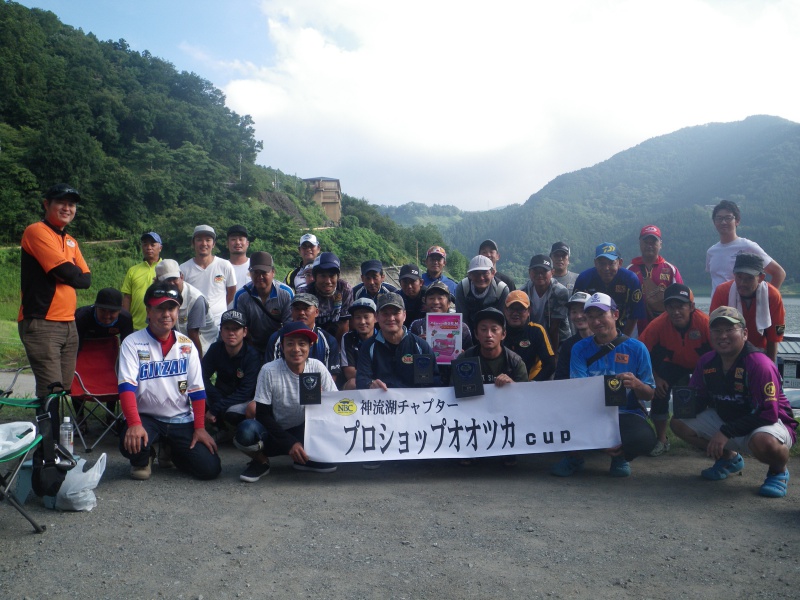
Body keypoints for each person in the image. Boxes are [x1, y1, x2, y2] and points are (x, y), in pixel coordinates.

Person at [671, 306, 796, 498]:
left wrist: (725, 432)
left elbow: (767, 413)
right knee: (678, 422)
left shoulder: (759, 364)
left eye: (730, 330)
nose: (723, 336)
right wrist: (681, 401)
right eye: (717, 330)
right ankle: (728, 458)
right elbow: (700, 399)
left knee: (765, 443)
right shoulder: (706, 362)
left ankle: (778, 471)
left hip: (769, 424)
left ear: (745, 333)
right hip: (730, 421)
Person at [117, 281, 221, 481]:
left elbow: (197, 390)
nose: (166, 314)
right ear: (148, 310)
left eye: (171, 308)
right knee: (130, 445)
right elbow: (126, 387)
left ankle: (171, 450)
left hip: (180, 417)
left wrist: (199, 428)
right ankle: (145, 456)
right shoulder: (132, 342)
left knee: (210, 469)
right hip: (147, 417)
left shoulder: (186, 344)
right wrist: (134, 423)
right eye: (160, 308)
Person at [550, 293, 656, 478]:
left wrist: (637, 385)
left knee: (645, 439)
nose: (596, 321)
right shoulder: (579, 348)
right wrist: (600, 437)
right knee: (559, 419)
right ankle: (574, 457)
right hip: (590, 411)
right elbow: (580, 390)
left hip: (626, 413)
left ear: (615, 315)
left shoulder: (637, 348)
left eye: (601, 315)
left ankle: (620, 457)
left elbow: (649, 394)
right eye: (590, 316)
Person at [18, 183, 91, 435]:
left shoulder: (70, 240)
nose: (67, 208)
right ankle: (47, 455)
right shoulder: (36, 231)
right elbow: (65, 271)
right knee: (50, 390)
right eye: (61, 202)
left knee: (62, 390)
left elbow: (85, 279)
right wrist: (69, 272)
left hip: (68, 323)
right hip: (42, 321)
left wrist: (69, 273)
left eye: (72, 204)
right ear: (46, 204)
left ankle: (55, 446)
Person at [233, 321, 339, 482]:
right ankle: (261, 461)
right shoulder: (269, 370)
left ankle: (304, 459)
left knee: (331, 463)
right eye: (290, 344)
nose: (296, 349)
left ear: (310, 346)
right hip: (274, 432)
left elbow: (336, 406)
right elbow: (262, 414)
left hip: (306, 431)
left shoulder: (317, 367)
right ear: (282, 347)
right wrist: (290, 444)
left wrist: (325, 400)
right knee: (246, 431)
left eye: (302, 344)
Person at [638, 284, 711, 456]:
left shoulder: (705, 323)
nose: (676, 311)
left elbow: (722, 353)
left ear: (691, 307)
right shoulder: (658, 324)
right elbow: (640, 352)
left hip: (703, 366)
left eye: (681, 306)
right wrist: (654, 377)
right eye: (671, 307)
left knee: (711, 394)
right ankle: (662, 440)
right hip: (673, 363)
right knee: (659, 391)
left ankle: (706, 437)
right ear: (665, 308)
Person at [709, 253, 785, 362]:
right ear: (734, 275)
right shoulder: (722, 292)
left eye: (749, 278)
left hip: (760, 351)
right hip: (727, 351)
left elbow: (775, 335)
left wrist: (771, 365)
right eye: (739, 277)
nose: (742, 283)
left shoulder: (773, 295)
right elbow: (714, 330)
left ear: (761, 278)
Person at [357, 293, 439, 391]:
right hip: (381, 403)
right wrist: (370, 384)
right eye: (385, 314)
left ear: (404, 315)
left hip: (414, 404)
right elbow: (361, 379)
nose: (391, 318)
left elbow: (433, 382)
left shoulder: (420, 346)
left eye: (396, 313)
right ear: (377, 317)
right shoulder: (368, 346)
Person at [706, 199, 785, 296]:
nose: (723, 222)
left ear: (737, 221)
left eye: (728, 218)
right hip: (717, 307)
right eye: (719, 218)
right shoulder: (711, 252)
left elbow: (779, 273)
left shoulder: (748, 246)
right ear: (714, 222)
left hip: (742, 308)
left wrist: (768, 299)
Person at [201, 310, 260, 431]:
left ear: (244, 332)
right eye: (227, 328)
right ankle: (217, 429)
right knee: (197, 401)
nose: (231, 333)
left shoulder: (252, 355)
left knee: (231, 414)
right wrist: (216, 399)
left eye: (236, 328)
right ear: (221, 331)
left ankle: (231, 433)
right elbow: (201, 376)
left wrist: (217, 407)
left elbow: (245, 391)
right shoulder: (215, 349)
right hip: (218, 395)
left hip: (242, 399)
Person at [573, 242, 645, 337]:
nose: (606, 268)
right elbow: (577, 310)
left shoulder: (630, 279)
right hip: (591, 330)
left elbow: (635, 314)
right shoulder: (585, 278)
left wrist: (623, 339)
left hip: (623, 329)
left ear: (620, 263)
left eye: (611, 263)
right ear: (595, 263)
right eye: (602, 263)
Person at [232, 251, 294, 361]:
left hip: (279, 345)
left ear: (273, 272)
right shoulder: (241, 296)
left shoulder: (286, 293)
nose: (259, 277)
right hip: (250, 345)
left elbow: (289, 326)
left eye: (264, 272)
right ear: (250, 273)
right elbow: (239, 327)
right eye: (255, 272)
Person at [409, 281, 473, 385]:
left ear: (448, 303)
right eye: (431, 298)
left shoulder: (462, 327)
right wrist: (419, 345)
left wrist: (463, 355)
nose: (435, 302)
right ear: (425, 303)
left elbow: (471, 358)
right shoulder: (416, 326)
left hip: (454, 380)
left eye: (440, 298)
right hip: (425, 381)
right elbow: (408, 357)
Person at [266, 293, 341, 379]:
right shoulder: (277, 339)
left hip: (318, 390)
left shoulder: (328, 341)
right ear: (291, 311)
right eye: (297, 309)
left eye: (306, 308)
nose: (301, 313)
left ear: (316, 312)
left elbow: (331, 377)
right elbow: (270, 373)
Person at [155, 259, 218, 358]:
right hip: (180, 340)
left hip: (204, 343)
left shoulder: (196, 299)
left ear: (181, 276)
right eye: (167, 280)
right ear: (157, 282)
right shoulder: (156, 295)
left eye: (174, 278)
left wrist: (198, 363)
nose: (172, 284)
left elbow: (193, 334)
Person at [626, 225, 683, 334]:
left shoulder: (671, 270)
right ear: (640, 243)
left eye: (653, 242)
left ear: (660, 244)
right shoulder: (630, 269)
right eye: (646, 242)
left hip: (665, 327)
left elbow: (680, 299)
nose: (649, 245)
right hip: (636, 329)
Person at [180, 224, 236, 327]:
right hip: (194, 325)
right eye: (199, 239)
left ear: (213, 244)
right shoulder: (183, 269)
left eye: (208, 240)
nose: (204, 243)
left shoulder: (224, 265)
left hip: (219, 324)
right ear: (193, 243)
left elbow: (231, 291)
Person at [460, 308, 528, 385]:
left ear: (503, 334)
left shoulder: (515, 362)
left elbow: (523, 394)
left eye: (494, 330)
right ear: (476, 334)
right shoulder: (465, 359)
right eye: (483, 329)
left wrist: (512, 385)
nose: (488, 335)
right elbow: (454, 390)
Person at [502, 291, 556, 381]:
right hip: (504, 384)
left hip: (531, 384)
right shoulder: (498, 332)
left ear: (529, 311)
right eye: (511, 308)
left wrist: (532, 384)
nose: (515, 313)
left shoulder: (537, 331)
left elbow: (550, 364)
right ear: (505, 310)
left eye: (521, 309)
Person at [519, 254, 570, 349]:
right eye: (535, 271)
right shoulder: (522, 292)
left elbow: (555, 328)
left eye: (544, 271)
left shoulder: (560, 292)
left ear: (552, 272)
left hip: (559, 340)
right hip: (531, 338)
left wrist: (553, 356)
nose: (539, 275)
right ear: (529, 272)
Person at [455, 255, 510, 333]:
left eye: (485, 273)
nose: (481, 278)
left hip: (493, 334)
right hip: (468, 332)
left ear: (493, 273)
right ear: (469, 275)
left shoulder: (501, 289)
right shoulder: (463, 287)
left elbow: (502, 321)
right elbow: (461, 319)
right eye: (476, 274)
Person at [306, 251, 353, 341]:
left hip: (336, 333)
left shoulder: (345, 290)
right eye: (323, 276)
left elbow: (344, 323)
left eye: (332, 276)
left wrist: (337, 349)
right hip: (312, 334)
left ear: (338, 277)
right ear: (315, 277)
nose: (328, 281)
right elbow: (302, 323)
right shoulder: (306, 293)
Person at [121, 232, 163, 330]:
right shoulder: (133, 270)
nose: (149, 248)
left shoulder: (166, 268)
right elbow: (127, 297)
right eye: (145, 244)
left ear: (160, 248)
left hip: (160, 324)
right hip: (136, 325)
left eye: (153, 244)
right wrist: (125, 320)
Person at [340, 298, 377, 390]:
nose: (362, 322)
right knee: (352, 383)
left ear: (376, 318)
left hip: (383, 384)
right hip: (361, 383)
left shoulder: (383, 338)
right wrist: (372, 380)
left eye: (366, 316)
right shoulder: (347, 338)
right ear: (352, 320)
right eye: (358, 317)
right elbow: (349, 373)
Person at [554, 292, 592, 380]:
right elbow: (560, 377)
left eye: (583, 311)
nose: (578, 316)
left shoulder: (603, 341)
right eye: (574, 312)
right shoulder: (568, 345)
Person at [226, 224, 251, 293]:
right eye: (233, 239)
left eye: (241, 239)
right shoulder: (221, 266)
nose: (237, 242)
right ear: (227, 243)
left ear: (247, 243)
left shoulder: (255, 266)